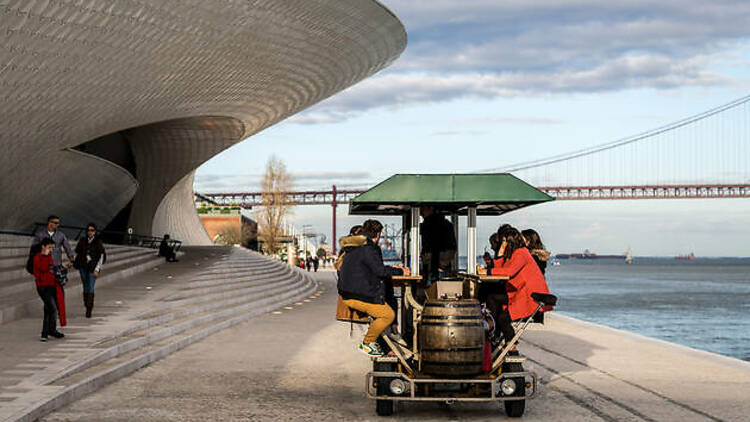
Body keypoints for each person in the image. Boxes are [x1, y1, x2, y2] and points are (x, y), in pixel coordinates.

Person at [337, 219, 409, 356]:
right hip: (358, 294)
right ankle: (367, 343)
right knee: (387, 315)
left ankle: (381, 344)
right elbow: (380, 271)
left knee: (382, 307)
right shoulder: (369, 247)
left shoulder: (355, 245)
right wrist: (400, 271)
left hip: (347, 293)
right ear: (377, 234)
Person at [488, 228, 551, 348]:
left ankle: (508, 344)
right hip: (520, 292)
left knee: (503, 317)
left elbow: (510, 271)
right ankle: (499, 336)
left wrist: (489, 271)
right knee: (493, 299)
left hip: (529, 295)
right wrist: (500, 253)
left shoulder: (521, 253)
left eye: (504, 242)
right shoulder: (517, 253)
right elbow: (502, 267)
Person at [34, 238, 64, 341]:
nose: (51, 249)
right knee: (51, 308)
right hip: (43, 287)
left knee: (48, 309)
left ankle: (49, 331)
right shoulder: (38, 257)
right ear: (43, 246)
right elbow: (42, 268)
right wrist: (45, 255)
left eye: (52, 248)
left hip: (51, 285)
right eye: (49, 247)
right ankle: (48, 332)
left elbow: (51, 270)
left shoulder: (49, 257)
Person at [74, 223, 106, 318]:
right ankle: (86, 303)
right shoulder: (82, 241)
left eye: (92, 230)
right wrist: (73, 262)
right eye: (88, 230)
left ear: (95, 232)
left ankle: (89, 308)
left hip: (92, 268)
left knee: (90, 286)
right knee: (85, 286)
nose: (90, 232)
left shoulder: (98, 242)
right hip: (83, 267)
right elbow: (77, 252)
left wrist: (97, 269)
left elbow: (101, 256)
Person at [420, 206, 457, 280]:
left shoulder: (429, 225)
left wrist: (438, 265)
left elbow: (435, 249)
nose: (421, 213)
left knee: (432, 287)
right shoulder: (446, 224)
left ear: (431, 209)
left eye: (423, 209)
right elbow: (452, 248)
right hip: (440, 266)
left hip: (435, 267)